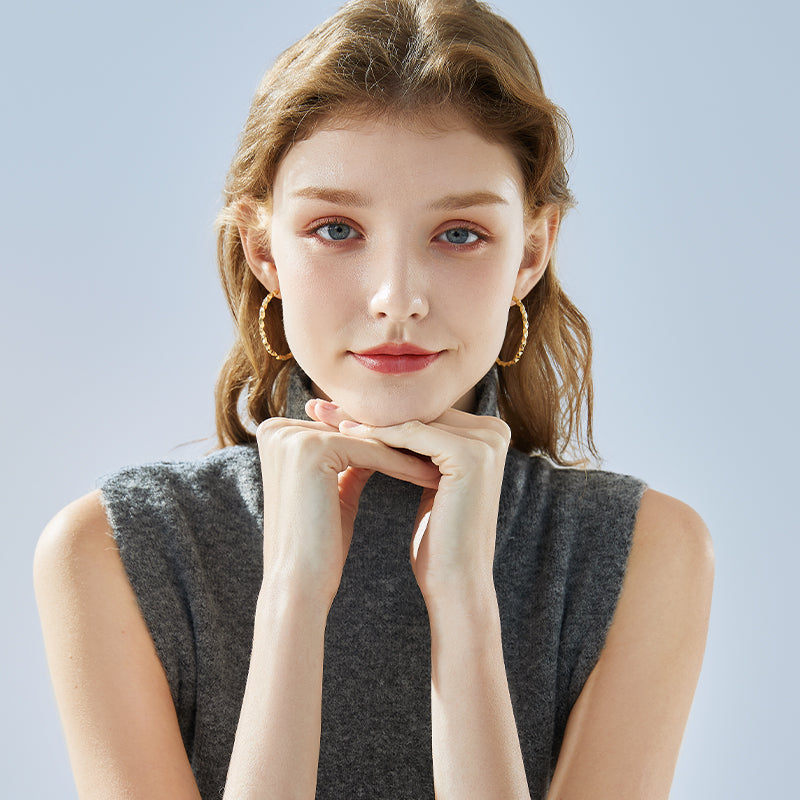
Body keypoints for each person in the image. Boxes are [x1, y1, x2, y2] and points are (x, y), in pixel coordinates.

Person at [34, 1, 714, 798]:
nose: (397, 299)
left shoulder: (643, 553)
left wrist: (464, 603)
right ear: (264, 250)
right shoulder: (116, 548)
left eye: (459, 233)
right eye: (335, 229)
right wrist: (290, 597)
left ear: (531, 252)